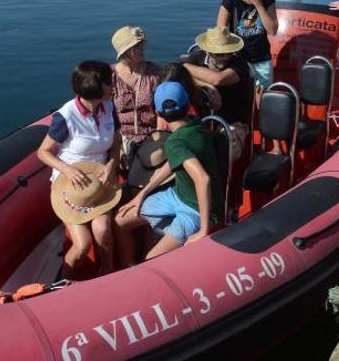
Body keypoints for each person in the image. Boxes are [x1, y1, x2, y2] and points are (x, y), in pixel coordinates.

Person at [114, 81, 218, 259]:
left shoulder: (175, 142)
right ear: (187, 106)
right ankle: (128, 269)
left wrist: (204, 230)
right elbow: (174, 163)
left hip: (194, 210)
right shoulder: (196, 124)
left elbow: (203, 178)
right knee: (119, 221)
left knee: (150, 259)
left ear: (158, 112)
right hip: (177, 195)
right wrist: (143, 194)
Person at [37, 61, 121, 276]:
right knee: (82, 245)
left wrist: (112, 163)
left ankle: (108, 271)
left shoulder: (110, 109)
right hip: (70, 184)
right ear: (95, 86)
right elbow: (43, 152)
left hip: (99, 182)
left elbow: (116, 142)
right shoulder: (65, 116)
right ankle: (63, 284)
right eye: (109, 83)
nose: (113, 87)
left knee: (103, 231)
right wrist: (68, 170)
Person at [217, 0, 279, 88]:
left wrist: (259, 5)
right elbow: (220, 34)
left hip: (262, 59)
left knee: (263, 97)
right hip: (238, 60)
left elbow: (272, 30)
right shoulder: (231, 1)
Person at [184, 26, 254, 127]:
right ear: (208, 51)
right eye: (220, 54)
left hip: (233, 121)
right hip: (201, 120)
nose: (225, 57)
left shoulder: (239, 64)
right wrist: (208, 86)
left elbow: (218, 79)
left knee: (232, 138)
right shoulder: (197, 58)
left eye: (229, 53)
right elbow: (179, 73)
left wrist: (186, 67)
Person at [111, 26, 161, 166]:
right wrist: (117, 148)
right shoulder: (110, 76)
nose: (142, 48)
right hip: (119, 139)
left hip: (151, 136)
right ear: (125, 51)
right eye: (137, 46)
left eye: (142, 44)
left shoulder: (154, 72)